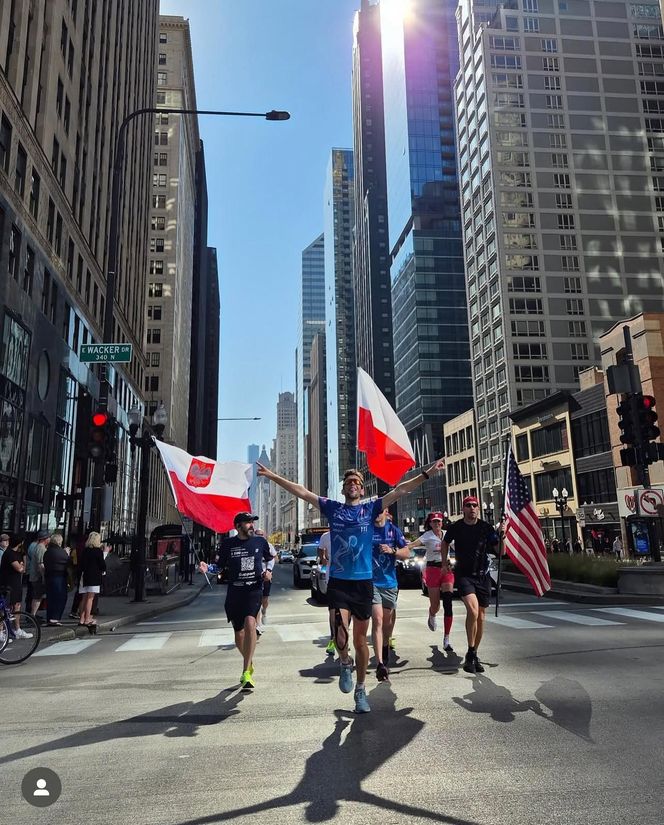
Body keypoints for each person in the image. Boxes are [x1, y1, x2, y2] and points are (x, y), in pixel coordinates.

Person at [257, 457, 445, 714]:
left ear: (362, 489)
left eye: (357, 482)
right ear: (344, 488)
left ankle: (360, 689)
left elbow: (401, 490)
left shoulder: (370, 509)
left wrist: (427, 473)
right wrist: (272, 476)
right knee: (339, 631)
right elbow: (301, 491)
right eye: (348, 482)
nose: (353, 485)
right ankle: (345, 663)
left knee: (359, 641)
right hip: (339, 582)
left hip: (364, 584)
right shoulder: (333, 509)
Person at [199, 512, 273, 689]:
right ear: (238, 526)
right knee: (239, 634)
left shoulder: (260, 542)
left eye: (252, 522)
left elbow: (270, 559)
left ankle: (246, 672)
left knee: (250, 624)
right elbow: (219, 567)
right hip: (235, 592)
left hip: (253, 589)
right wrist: (207, 568)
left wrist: (268, 571)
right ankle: (249, 661)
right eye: (248, 523)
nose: (251, 526)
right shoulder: (228, 544)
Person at [440, 495, 502, 675]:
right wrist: (444, 563)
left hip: (483, 575)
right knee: (473, 611)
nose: (472, 508)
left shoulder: (486, 528)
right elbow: (444, 543)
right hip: (464, 575)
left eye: (475, 505)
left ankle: (473, 653)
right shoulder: (456, 527)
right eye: (468, 505)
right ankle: (470, 649)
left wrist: (501, 536)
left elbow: (500, 551)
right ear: (463, 509)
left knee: (481, 616)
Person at [407, 511, 455, 652]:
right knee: (436, 605)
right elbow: (413, 544)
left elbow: (459, 547)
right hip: (432, 569)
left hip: (446, 569)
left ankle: (446, 639)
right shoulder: (427, 536)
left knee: (448, 601)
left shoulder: (447, 534)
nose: (437, 524)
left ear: (442, 522)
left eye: (439, 521)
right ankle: (432, 614)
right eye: (434, 521)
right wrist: (399, 547)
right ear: (430, 523)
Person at [371, 508, 409, 681]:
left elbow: (406, 553)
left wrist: (392, 551)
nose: (377, 514)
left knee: (387, 622)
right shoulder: (367, 529)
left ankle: (385, 648)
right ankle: (380, 663)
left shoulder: (394, 531)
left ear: (386, 512)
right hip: (371, 582)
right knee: (377, 619)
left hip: (389, 582)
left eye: (380, 511)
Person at [0, 534, 32, 638]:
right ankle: (2, 631)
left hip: (16, 583)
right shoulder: (10, 554)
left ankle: (17, 629)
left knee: (17, 605)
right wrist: (21, 566)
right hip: (9, 584)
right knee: (5, 607)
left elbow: (23, 568)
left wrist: (22, 566)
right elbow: (19, 568)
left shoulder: (16, 553)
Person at [78, 531, 106, 633]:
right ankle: (87, 619)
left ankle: (81, 618)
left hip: (84, 575)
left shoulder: (85, 551)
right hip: (94, 576)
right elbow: (102, 565)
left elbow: (81, 564)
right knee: (90, 598)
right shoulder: (98, 551)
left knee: (84, 598)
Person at [43, 533, 70, 626]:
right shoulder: (61, 552)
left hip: (48, 577)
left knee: (50, 598)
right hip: (59, 577)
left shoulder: (48, 551)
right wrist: (67, 554)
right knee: (60, 597)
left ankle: (49, 617)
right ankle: (55, 618)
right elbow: (67, 562)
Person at [317, 531, 336, 656]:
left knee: (348, 615)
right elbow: (320, 549)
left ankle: (341, 639)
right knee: (333, 612)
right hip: (332, 579)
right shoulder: (326, 536)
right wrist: (323, 558)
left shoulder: (350, 531)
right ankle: (333, 640)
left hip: (350, 579)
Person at [254, 528, 276, 634]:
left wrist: (269, 571)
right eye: (257, 534)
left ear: (264, 535)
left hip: (266, 576)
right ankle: (257, 625)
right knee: (256, 600)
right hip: (254, 577)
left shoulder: (268, 546)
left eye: (261, 535)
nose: (259, 536)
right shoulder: (251, 545)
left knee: (264, 599)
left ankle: (265, 612)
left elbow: (273, 559)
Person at [29, 529, 51, 618]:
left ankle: (33, 615)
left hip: (34, 575)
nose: (49, 539)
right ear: (44, 539)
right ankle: (32, 616)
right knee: (37, 597)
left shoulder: (37, 547)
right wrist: (44, 577)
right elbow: (41, 565)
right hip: (38, 577)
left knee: (37, 596)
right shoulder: (41, 549)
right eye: (48, 537)